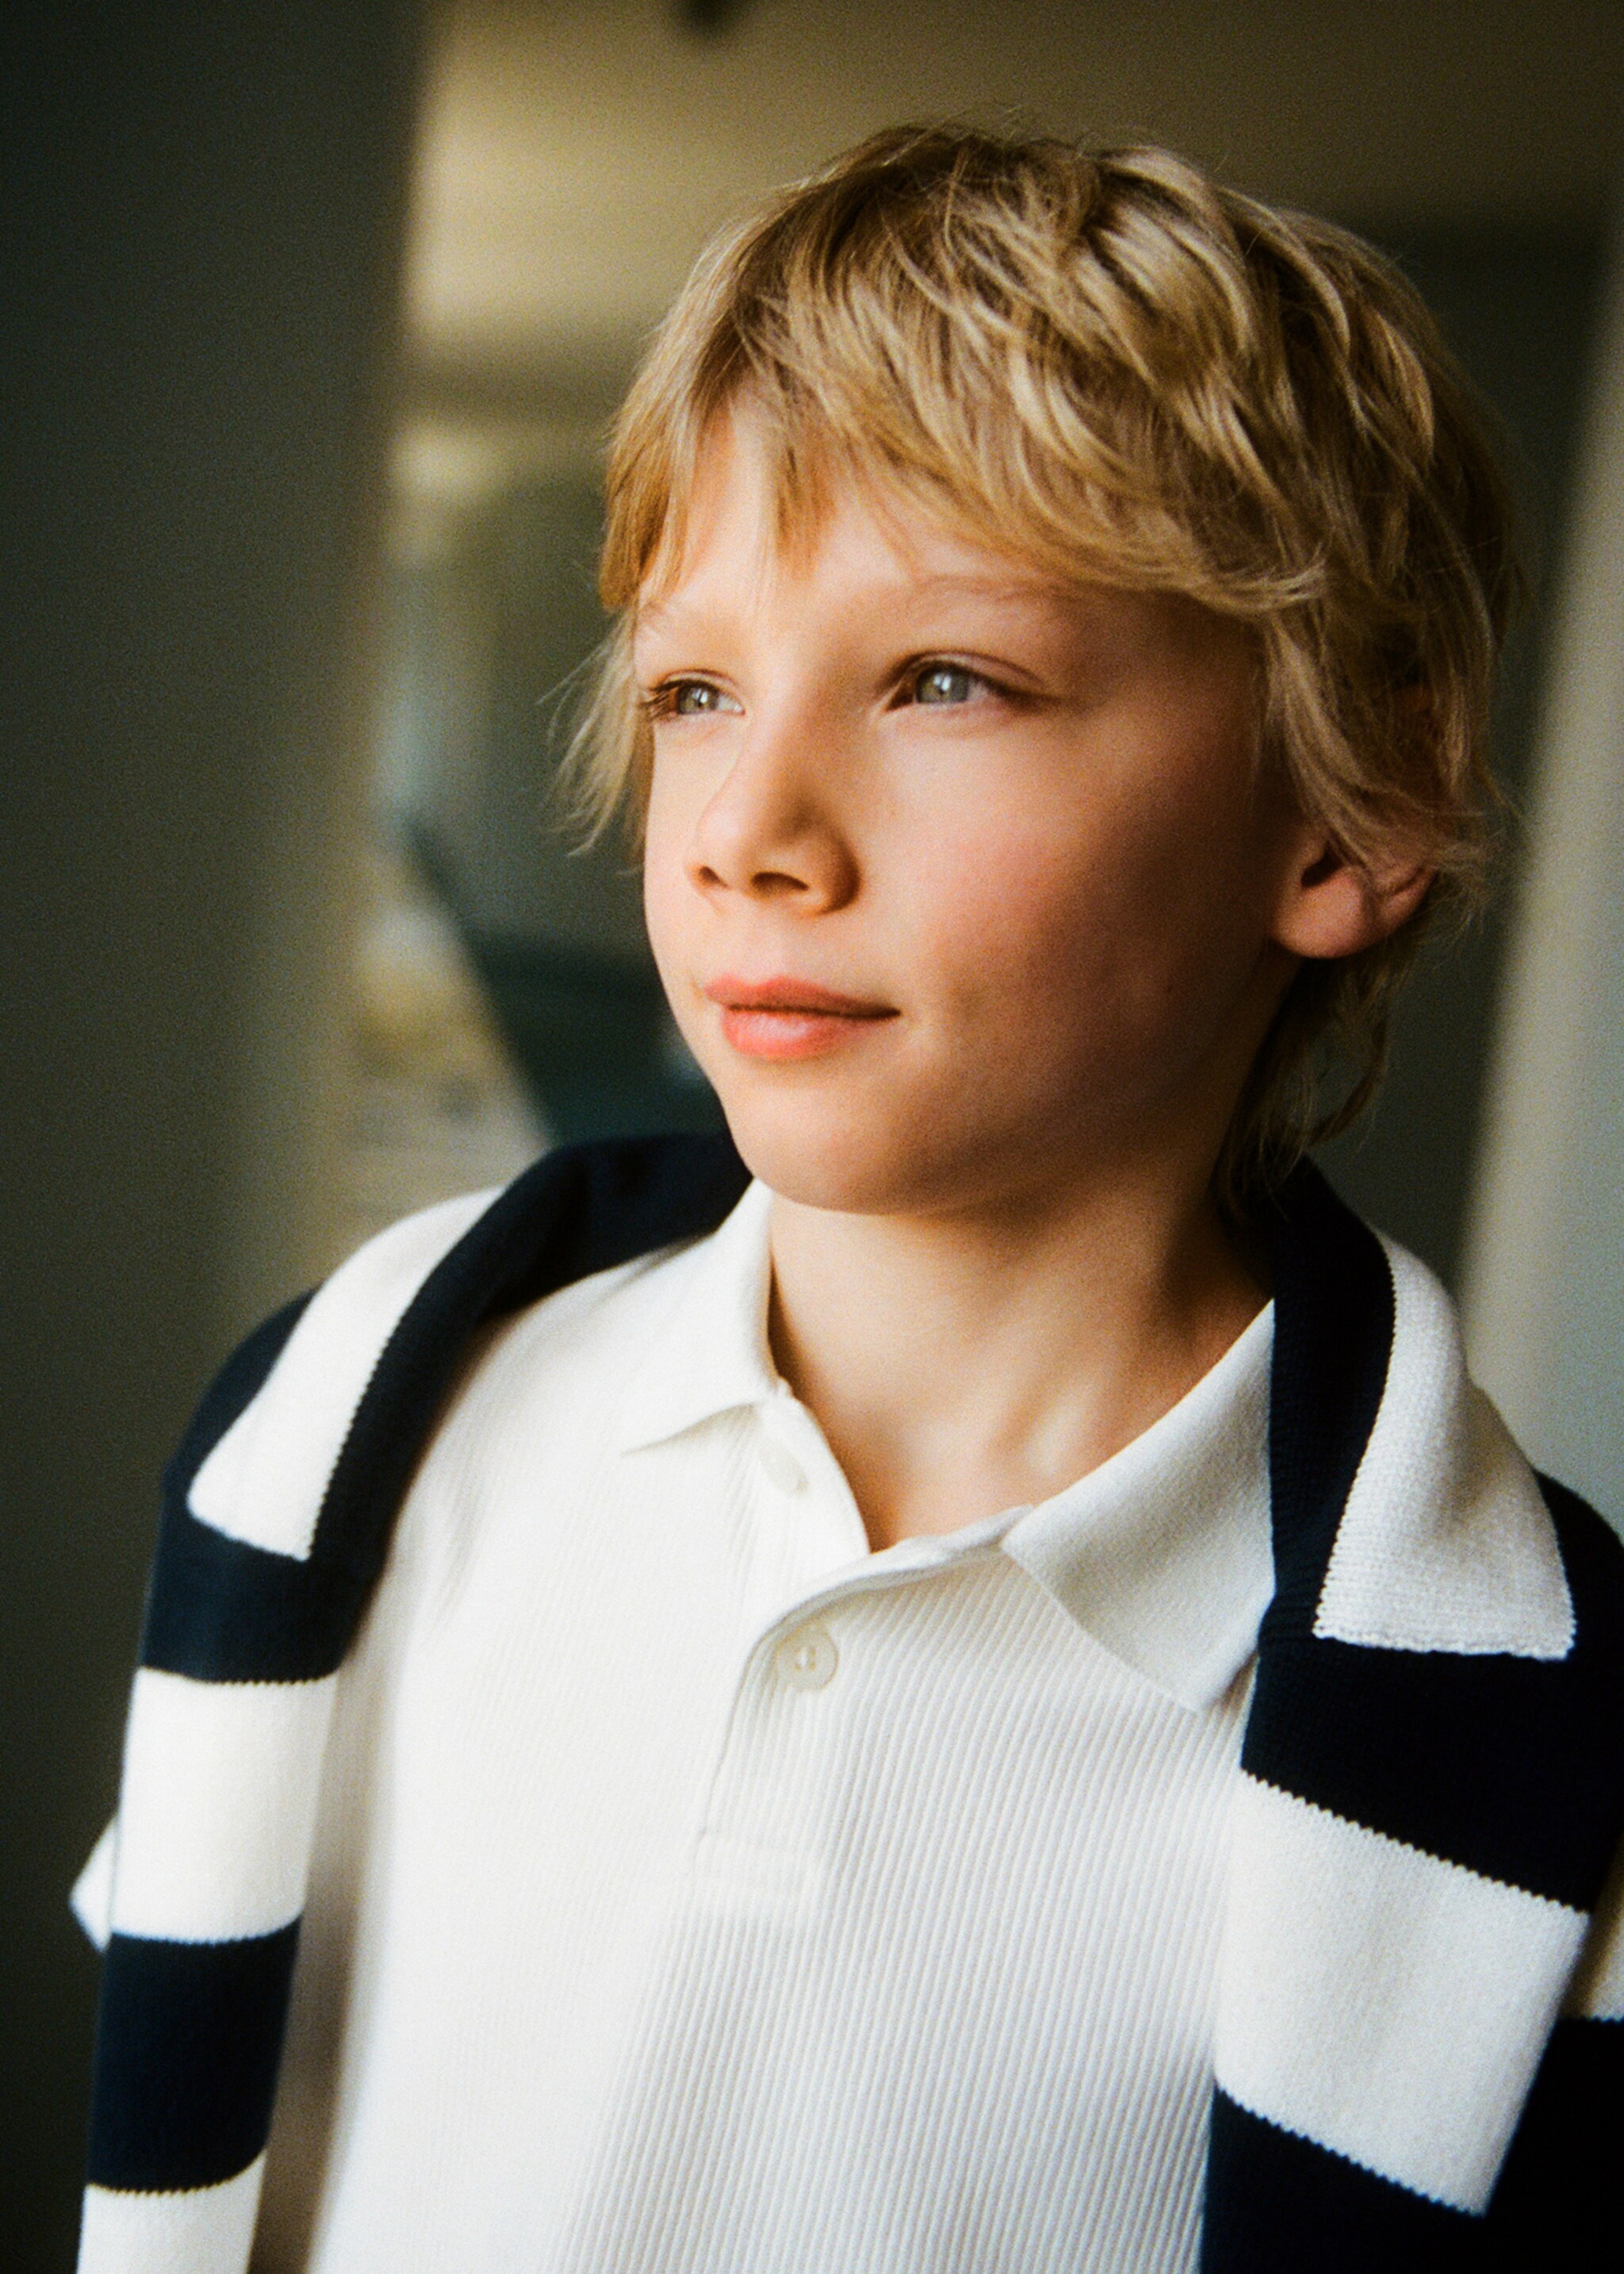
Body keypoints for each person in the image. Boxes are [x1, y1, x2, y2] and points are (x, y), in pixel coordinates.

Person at [74, 127, 1624, 2274]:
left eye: (947, 681)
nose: (748, 829)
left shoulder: (1546, 1766)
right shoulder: (359, 1436)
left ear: (1349, 804)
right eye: (698, 688)